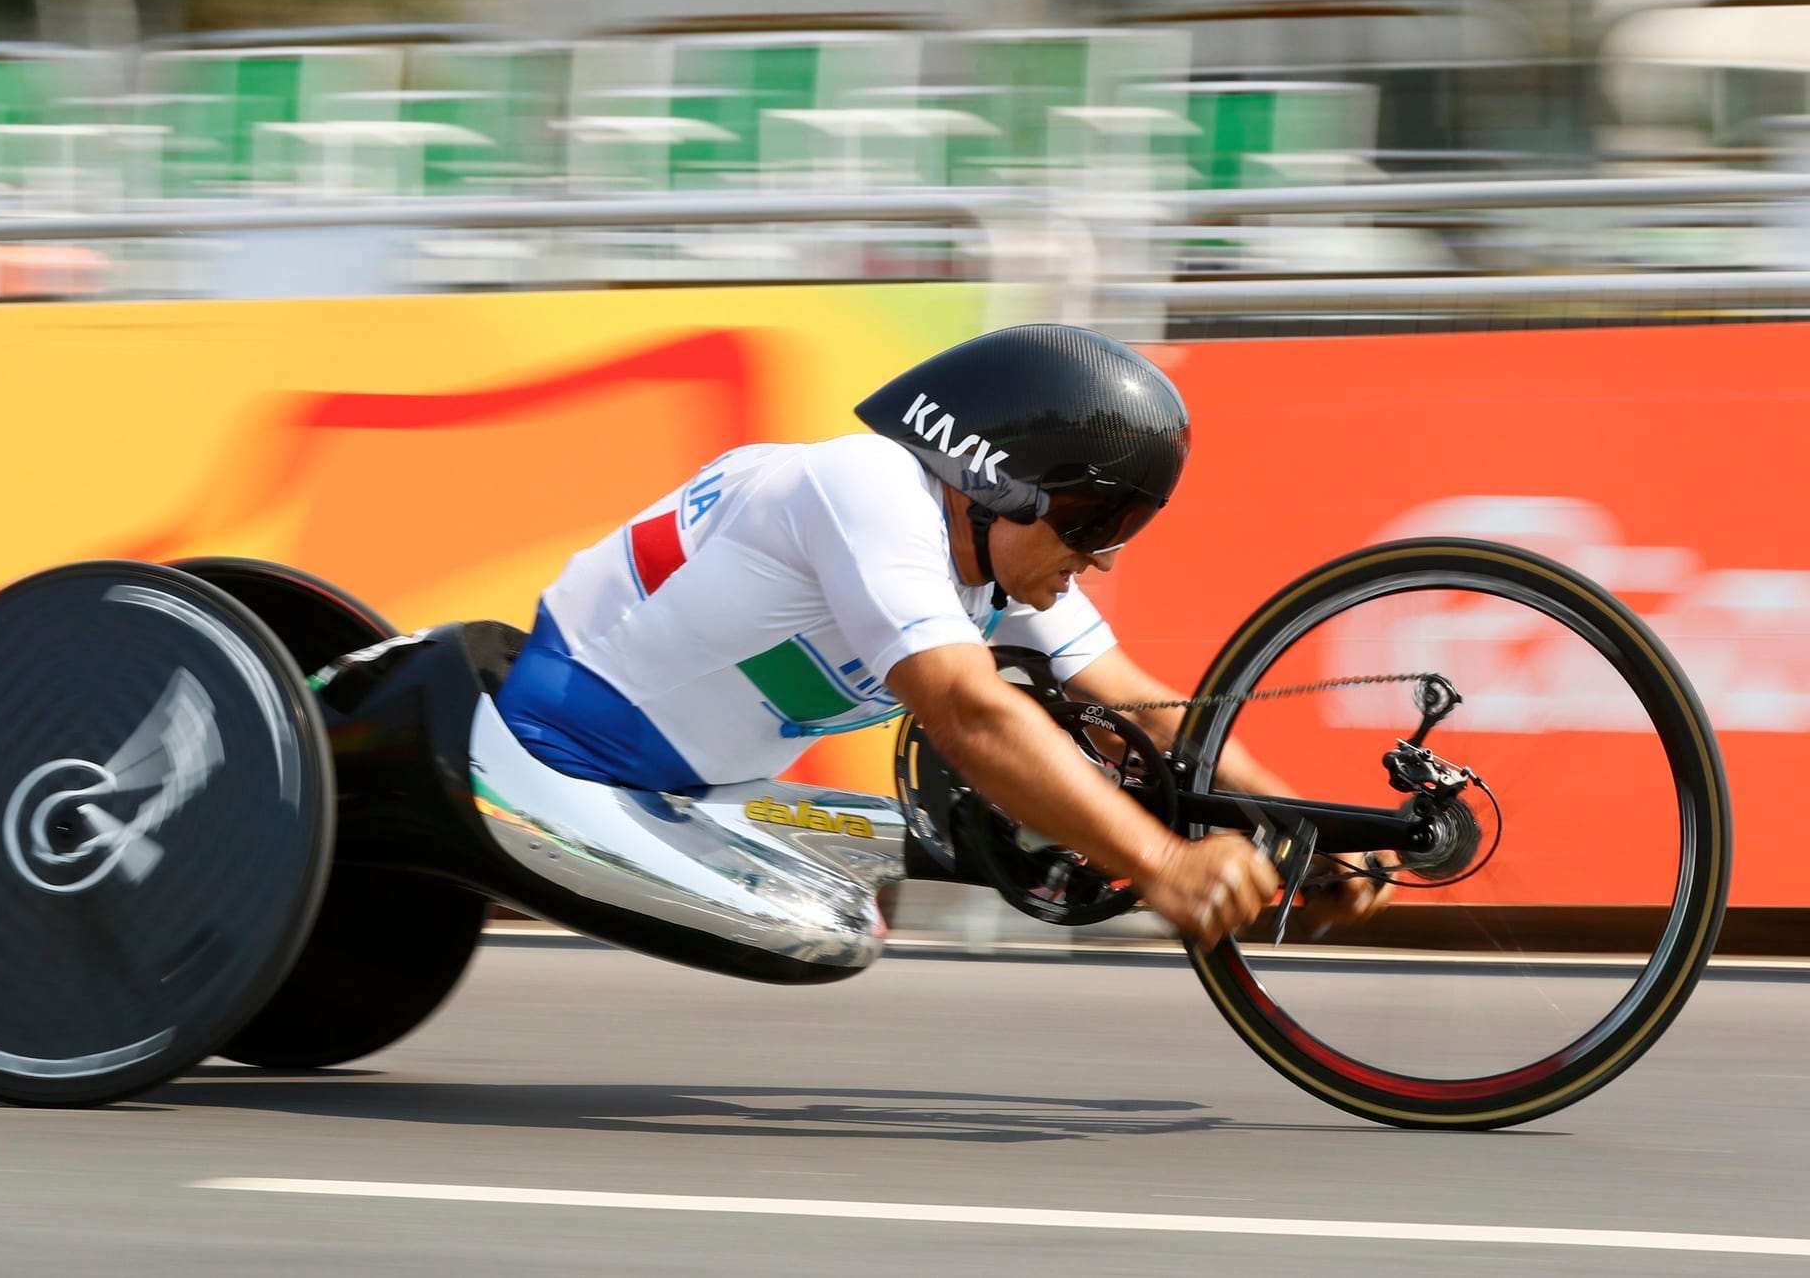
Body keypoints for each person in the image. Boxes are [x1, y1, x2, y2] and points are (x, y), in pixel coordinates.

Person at [490, 324, 1393, 947]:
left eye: (1121, 528)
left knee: (870, 915)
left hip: (695, 791)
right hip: (558, 751)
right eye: (1090, 520)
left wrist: (1309, 825)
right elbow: (966, 708)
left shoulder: (999, 566)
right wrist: (1159, 861)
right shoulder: (866, 482)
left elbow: (1150, 714)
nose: (1104, 557)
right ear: (997, 479)